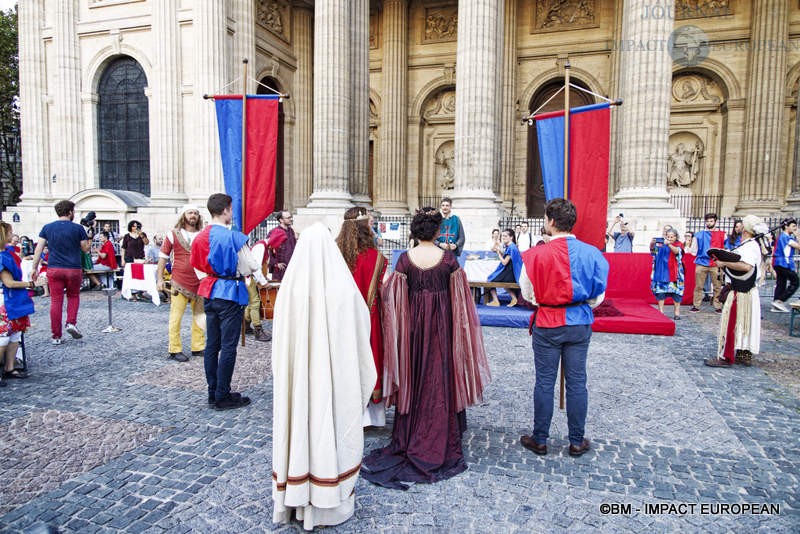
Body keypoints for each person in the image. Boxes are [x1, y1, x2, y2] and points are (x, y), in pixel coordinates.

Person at [362, 208, 490, 490]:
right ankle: (440, 433)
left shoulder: (405, 261)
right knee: (440, 376)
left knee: (417, 376)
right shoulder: (448, 260)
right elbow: (461, 303)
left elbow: (393, 303)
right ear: (435, 231)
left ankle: (411, 435)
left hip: (414, 331)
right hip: (442, 329)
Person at [271, 223, 377, 530]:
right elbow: (361, 334)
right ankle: (328, 503)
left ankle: (293, 498)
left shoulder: (290, 289)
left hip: (300, 381)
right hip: (333, 380)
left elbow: (280, 344)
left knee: (299, 429)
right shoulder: (343, 290)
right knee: (328, 431)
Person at [518, 198, 608, 457]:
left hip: (548, 321)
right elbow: (598, 295)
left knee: (545, 382)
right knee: (577, 382)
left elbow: (528, 293)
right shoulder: (592, 253)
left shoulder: (535, 255)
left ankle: (540, 438)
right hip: (579, 320)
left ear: (551, 222)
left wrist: (547, 302)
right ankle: (576, 441)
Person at [190, 193, 264, 409]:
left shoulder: (200, 236)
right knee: (229, 345)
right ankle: (222, 395)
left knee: (212, 344)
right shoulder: (233, 237)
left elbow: (196, 264)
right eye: (231, 209)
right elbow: (251, 265)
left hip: (209, 290)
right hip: (229, 291)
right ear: (225, 210)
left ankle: (214, 391)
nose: (232, 213)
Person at [336, 206, 389, 427]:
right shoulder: (376, 258)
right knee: (370, 358)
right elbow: (385, 290)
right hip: (370, 317)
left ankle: (345, 411)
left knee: (344, 361)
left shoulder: (334, 256)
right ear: (364, 229)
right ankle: (372, 416)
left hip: (341, 318)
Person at [705, 215, 765, 368]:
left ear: (745, 229)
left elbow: (746, 266)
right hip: (745, 291)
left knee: (732, 323)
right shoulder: (749, 244)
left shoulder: (751, 246)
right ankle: (743, 354)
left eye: (741, 225)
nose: (737, 227)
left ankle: (726, 357)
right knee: (744, 323)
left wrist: (723, 262)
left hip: (741, 290)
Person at [30, 200, 91, 344]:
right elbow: (85, 249)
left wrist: (34, 267)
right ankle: (71, 322)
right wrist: (89, 236)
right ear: (70, 212)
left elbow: (38, 249)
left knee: (56, 301)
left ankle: (56, 336)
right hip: (73, 268)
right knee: (73, 296)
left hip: (54, 267)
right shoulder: (78, 228)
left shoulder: (47, 228)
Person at [157, 205, 207, 362]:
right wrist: (159, 278)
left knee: (200, 316)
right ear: (184, 215)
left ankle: (198, 347)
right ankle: (174, 349)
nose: (193, 216)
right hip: (179, 281)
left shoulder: (203, 234)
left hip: (200, 282)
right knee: (175, 317)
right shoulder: (172, 234)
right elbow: (163, 257)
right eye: (190, 213)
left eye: (195, 213)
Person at [0, 222, 35, 384]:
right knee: (4, 337)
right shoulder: (2, 257)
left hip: (13, 299)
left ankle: (9, 368)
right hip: (5, 299)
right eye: (9, 233)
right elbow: (9, 283)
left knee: (14, 334)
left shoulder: (7, 253)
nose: (12, 236)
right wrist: (31, 284)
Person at [691, 212, 726, 313]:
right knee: (698, 285)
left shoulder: (722, 235)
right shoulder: (699, 235)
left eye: (711, 221)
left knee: (717, 286)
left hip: (716, 263)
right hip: (701, 262)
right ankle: (696, 305)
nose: (709, 223)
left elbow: (725, 248)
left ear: (715, 221)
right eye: (708, 221)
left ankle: (718, 305)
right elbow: (694, 250)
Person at [650, 228, 684, 319]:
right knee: (661, 292)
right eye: (668, 236)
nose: (669, 238)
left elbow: (677, 252)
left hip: (675, 272)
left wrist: (668, 244)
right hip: (661, 271)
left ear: (676, 237)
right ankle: (661, 311)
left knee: (677, 293)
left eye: (672, 237)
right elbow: (653, 252)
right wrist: (652, 244)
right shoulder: (660, 244)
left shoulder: (678, 244)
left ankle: (676, 312)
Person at [486, 228, 523, 307]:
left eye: (505, 236)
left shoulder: (511, 247)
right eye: (502, 236)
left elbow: (504, 262)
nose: (503, 238)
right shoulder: (511, 246)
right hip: (511, 272)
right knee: (494, 279)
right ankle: (513, 298)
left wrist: (498, 253)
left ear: (511, 237)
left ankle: (496, 301)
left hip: (510, 273)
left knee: (490, 280)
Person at [771, 217, 800, 313]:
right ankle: (780, 300)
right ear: (786, 227)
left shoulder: (781, 236)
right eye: (793, 226)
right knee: (795, 282)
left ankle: (776, 303)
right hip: (784, 263)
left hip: (777, 262)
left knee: (781, 283)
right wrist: (798, 236)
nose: (795, 228)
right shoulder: (787, 237)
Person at [266, 211, 297, 281]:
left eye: (291, 217)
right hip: (280, 270)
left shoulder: (291, 231)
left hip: (291, 267)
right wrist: (275, 264)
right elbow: (269, 249)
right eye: (288, 218)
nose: (291, 219)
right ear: (281, 220)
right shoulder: (274, 232)